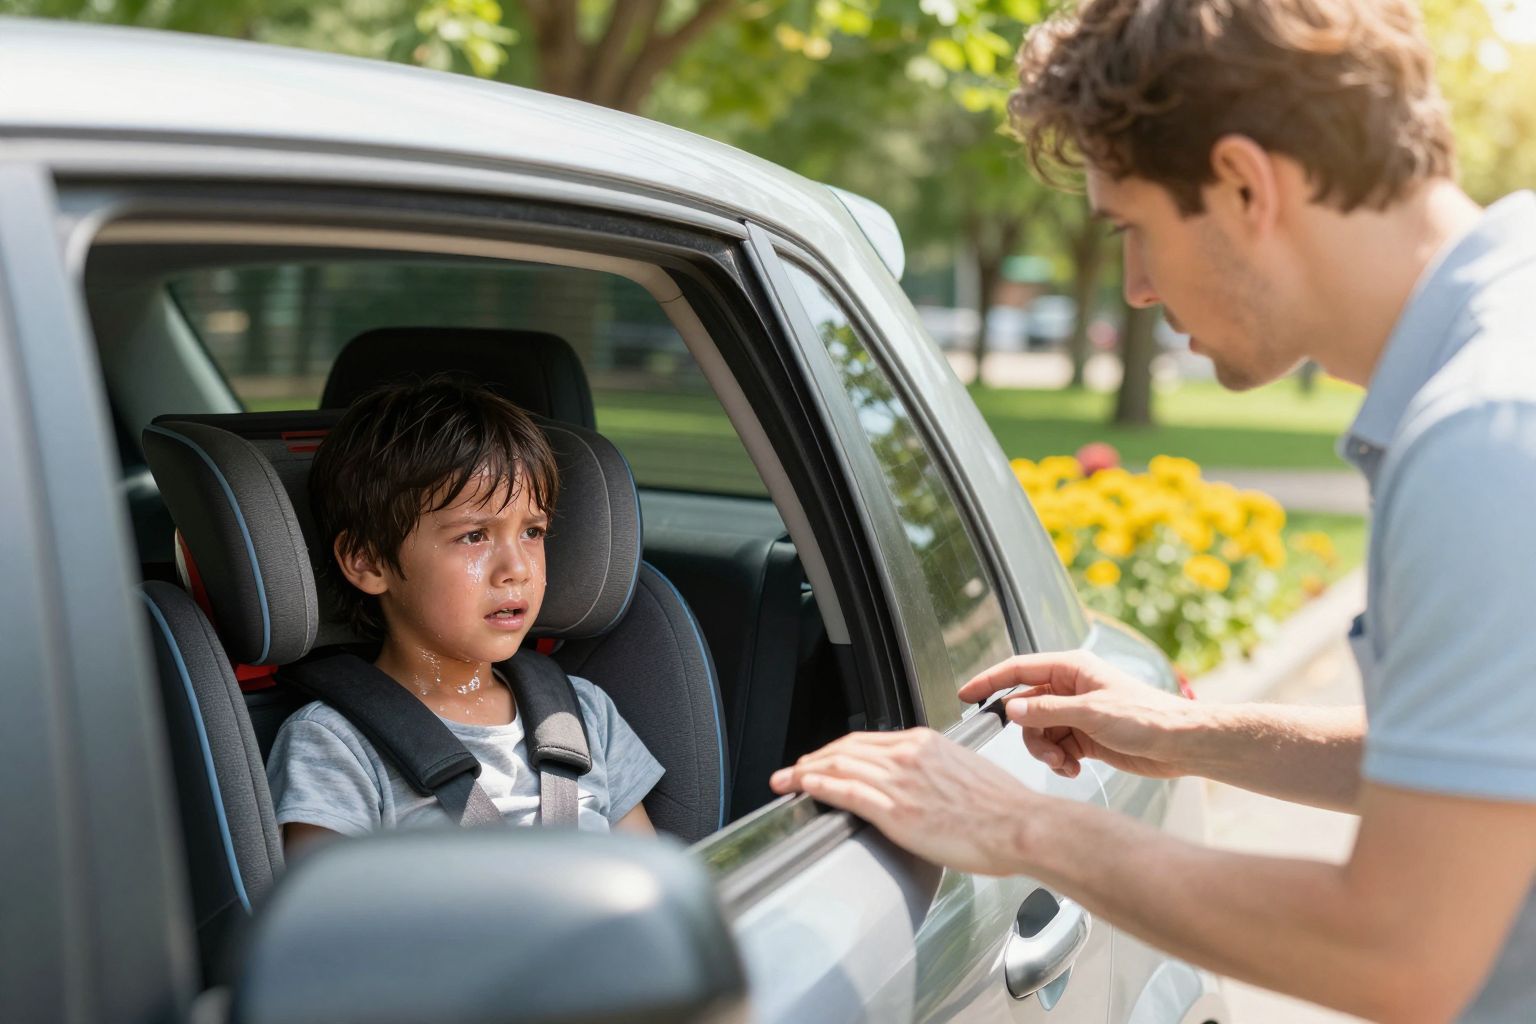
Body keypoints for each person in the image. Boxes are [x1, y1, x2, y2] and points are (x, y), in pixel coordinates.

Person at [770, 0, 1536, 1019]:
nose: (1132, 287)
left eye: (1132, 227)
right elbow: (1480, 766)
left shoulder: (1485, 435)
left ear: (1242, 184)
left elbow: (1398, 947)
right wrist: (1187, 733)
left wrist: (1018, 824)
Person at [268, 378, 663, 854]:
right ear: (368, 562)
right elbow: (326, 924)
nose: (516, 568)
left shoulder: (583, 714)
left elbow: (654, 885)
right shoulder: (334, 747)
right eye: (475, 536)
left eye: (533, 531)